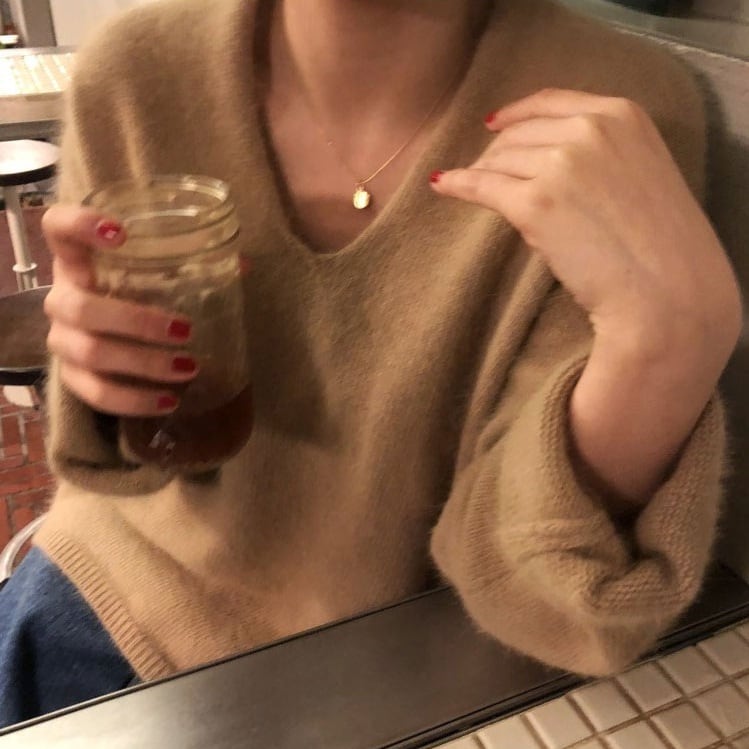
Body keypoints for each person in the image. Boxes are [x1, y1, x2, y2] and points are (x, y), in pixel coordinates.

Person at [0, 0, 742, 728]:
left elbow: (534, 593)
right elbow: (126, 465)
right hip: (92, 602)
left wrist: (671, 344)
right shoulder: (134, 69)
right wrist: (104, 366)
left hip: (383, 677)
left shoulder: (615, 111)